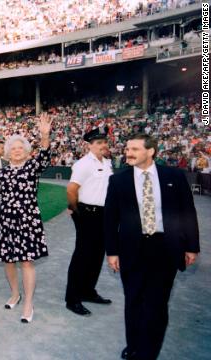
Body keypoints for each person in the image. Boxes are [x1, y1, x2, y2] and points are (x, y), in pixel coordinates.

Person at [104, 133, 199, 360]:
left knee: (157, 303)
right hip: (131, 249)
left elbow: (187, 212)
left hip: (165, 248)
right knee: (133, 300)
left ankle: (148, 352)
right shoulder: (118, 180)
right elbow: (110, 218)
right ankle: (134, 345)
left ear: (151, 151)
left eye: (135, 149)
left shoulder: (174, 176)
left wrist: (191, 246)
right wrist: (112, 252)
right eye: (127, 149)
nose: (128, 153)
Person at [0, 113, 53, 323]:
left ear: (26, 152)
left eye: (20, 148)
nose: (16, 151)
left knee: (26, 262)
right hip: (6, 222)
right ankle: (15, 294)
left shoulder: (32, 168)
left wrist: (44, 136)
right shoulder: (1, 174)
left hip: (27, 221)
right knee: (8, 261)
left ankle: (28, 303)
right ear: (7, 153)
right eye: (12, 148)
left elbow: (44, 157)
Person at [65, 126, 113, 317]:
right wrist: (77, 212)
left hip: (103, 214)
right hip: (87, 213)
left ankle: (88, 291)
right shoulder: (83, 164)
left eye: (104, 142)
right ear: (90, 146)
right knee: (82, 256)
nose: (103, 145)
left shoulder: (107, 162)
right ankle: (72, 298)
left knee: (97, 255)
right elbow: (71, 189)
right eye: (99, 143)